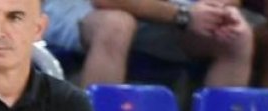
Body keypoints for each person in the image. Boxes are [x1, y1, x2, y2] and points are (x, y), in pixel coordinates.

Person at [43, 0, 252, 88]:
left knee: (235, 36)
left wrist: (221, 11)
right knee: (116, 26)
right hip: (83, 8)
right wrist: (183, 15)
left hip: (163, 13)